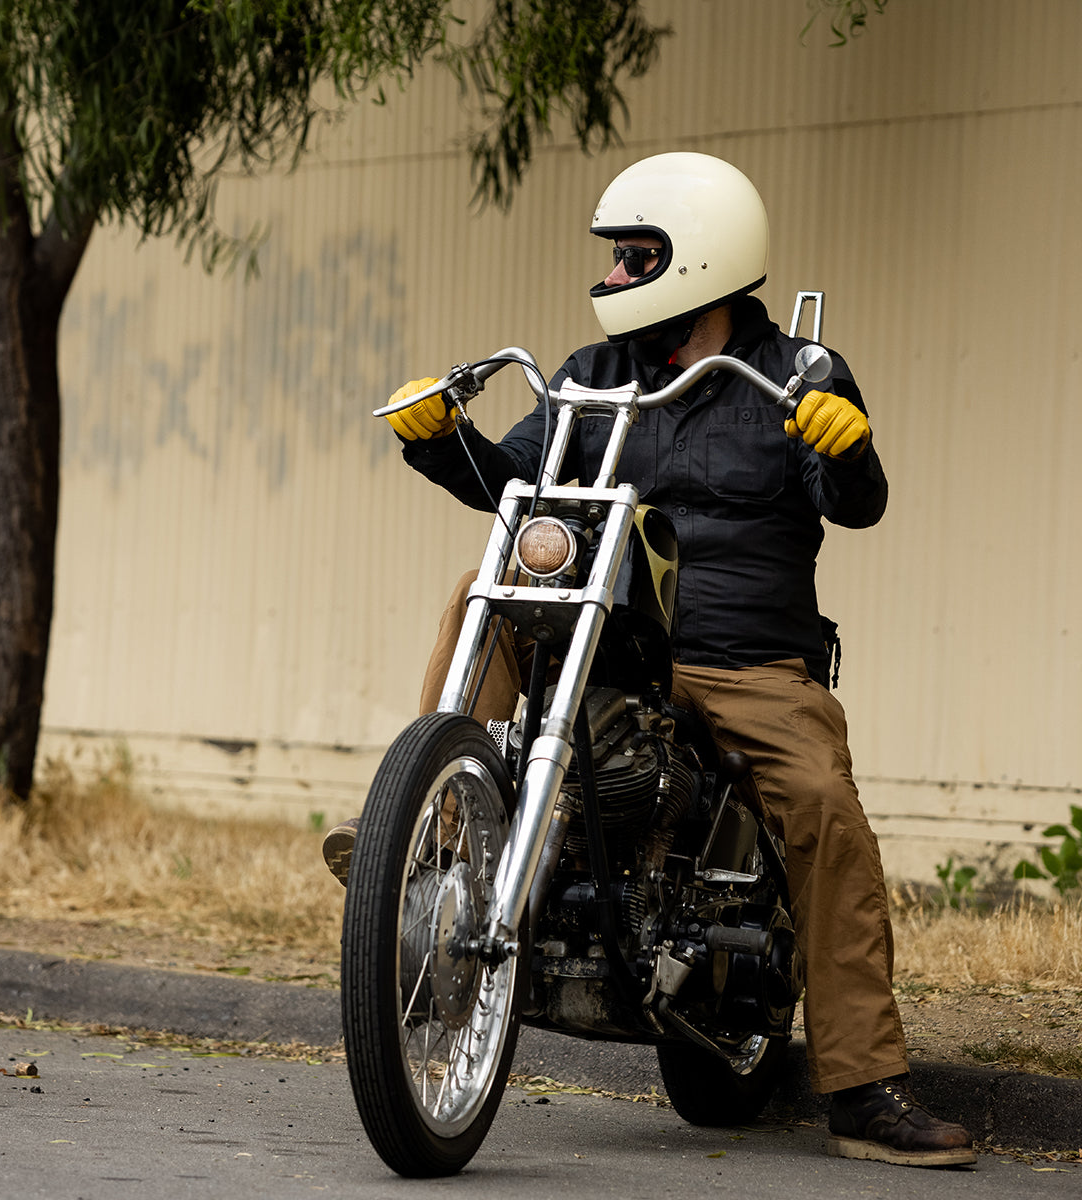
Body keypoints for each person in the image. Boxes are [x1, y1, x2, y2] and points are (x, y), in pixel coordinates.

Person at [323, 152, 975, 1168]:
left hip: (750, 663)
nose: (618, 277)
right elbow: (517, 485)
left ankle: (867, 1090)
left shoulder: (795, 376)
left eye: (637, 258)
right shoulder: (590, 379)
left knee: (824, 810)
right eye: (619, 259)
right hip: (621, 635)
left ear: (700, 260)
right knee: (482, 587)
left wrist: (848, 447)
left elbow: (857, 503)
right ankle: (426, 826)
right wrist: (440, 439)